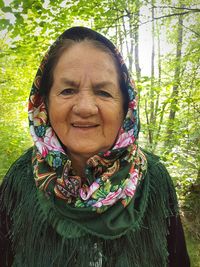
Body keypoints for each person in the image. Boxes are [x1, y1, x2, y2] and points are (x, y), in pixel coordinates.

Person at [0, 26, 190, 267]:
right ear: (44, 103)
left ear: (126, 106)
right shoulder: (19, 180)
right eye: (68, 90)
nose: (86, 107)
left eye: (103, 92)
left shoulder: (155, 179)